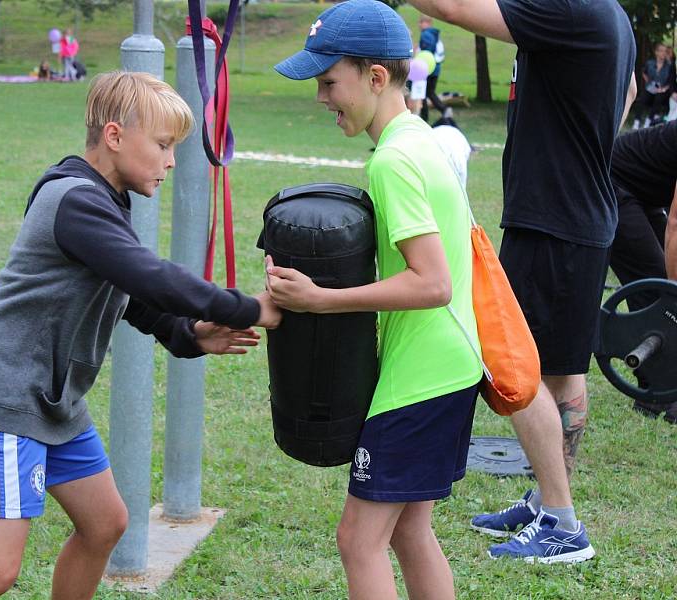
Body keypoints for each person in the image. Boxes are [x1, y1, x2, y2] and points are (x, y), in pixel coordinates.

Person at [0, 71, 281, 600]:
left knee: (105, 523)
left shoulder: (106, 202)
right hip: (5, 397)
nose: (170, 161)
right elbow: (150, 276)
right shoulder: (75, 200)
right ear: (113, 136)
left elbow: (127, 294)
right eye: (161, 145)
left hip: (54, 403)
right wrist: (249, 308)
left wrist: (187, 335)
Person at [403, 0, 636, 563]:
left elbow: (453, 8)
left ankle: (562, 522)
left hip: (553, 223)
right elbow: (624, 96)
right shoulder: (610, 14)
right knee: (562, 372)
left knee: (518, 369)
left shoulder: (571, 8)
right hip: (577, 217)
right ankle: (547, 502)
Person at [271, 2, 483, 598]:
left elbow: (432, 282)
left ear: (375, 76)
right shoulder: (419, 137)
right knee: (411, 531)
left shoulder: (393, 159)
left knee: (358, 540)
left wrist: (319, 299)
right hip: (448, 367)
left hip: (419, 379)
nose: (322, 97)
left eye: (329, 81)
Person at [608, 120, 677, 423]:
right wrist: (672, 296)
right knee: (655, 288)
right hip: (611, 182)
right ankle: (655, 394)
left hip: (645, 193)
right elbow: (676, 224)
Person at [632, 43, 673, 129]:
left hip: (662, 90)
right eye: (661, 51)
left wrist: (663, 89)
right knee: (642, 98)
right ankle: (637, 121)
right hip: (651, 87)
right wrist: (648, 82)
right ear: (656, 52)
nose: (663, 53)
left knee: (659, 98)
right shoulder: (650, 63)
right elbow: (644, 72)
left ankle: (649, 121)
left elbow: (670, 81)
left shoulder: (669, 66)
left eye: (665, 51)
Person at [418, 15, 451, 123]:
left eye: (421, 22)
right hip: (436, 68)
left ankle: (424, 117)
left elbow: (427, 52)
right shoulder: (434, 35)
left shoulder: (426, 34)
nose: (419, 25)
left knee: (423, 93)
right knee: (430, 92)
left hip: (428, 68)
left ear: (427, 23)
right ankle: (444, 110)